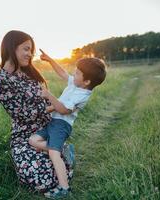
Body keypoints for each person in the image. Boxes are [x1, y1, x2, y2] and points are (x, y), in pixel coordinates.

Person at [0, 30, 73, 192]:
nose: (30, 54)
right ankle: (61, 151)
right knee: (39, 179)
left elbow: (42, 101)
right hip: (24, 135)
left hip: (45, 129)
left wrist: (56, 105)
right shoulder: (1, 80)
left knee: (58, 172)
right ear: (11, 47)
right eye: (26, 49)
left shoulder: (29, 73)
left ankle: (61, 151)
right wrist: (58, 106)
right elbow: (22, 116)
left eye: (31, 50)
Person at [29, 49, 107, 198]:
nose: (74, 74)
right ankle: (63, 150)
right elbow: (62, 73)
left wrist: (48, 95)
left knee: (53, 153)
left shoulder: (82, 94)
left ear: (87, 81)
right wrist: (50, 59)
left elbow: (64, 110)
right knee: (32, 140)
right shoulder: (76, 84)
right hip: (53, 122)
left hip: (62, 126)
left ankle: (64, 188)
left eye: (77, 73)